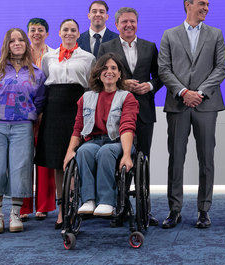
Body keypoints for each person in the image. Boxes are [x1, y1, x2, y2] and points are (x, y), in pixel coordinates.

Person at [157, 0, 225, 229]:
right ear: (188, 5)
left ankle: (204, 210)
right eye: (201, 4)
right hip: (178, 104)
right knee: (176, 159)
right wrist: (184, 92)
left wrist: (200, 93)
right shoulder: (169, 35)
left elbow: (221, 68)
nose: (206, 8)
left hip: (206, 105)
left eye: (208, 4)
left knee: (206, 159)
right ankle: (174, 210)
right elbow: (163, 69)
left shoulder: (216, 34)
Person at [98, 7, 163, 225]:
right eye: (124, 22)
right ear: (116, 25)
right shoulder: (106, 47)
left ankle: (145, 209)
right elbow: (98, 77)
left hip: (144, 112)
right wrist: (120, 83)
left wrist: (150, 85)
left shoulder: (149, 47)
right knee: (119, 159)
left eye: (132, 21)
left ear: (137, 23)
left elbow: (160, 76)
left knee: (143, 160)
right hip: (115, 114)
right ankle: (120, 207)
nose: (129, 25)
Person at [0, 28, 46, 234]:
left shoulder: (37, 73)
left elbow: (40, 99)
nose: (17, 43)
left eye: (20, 40)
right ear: (6, 45)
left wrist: (28, 114)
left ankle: (15, 214)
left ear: (26, 44)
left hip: (22, 126)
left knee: (20, 169)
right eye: (12, 40)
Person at [34, 18, 96, 228]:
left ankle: (74, 205)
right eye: (65, 30)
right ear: (59, 33)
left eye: (73, 30)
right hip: (53, 110)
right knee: (57, 163)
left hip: (76, 108)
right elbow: (44, 83)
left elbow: (91, 86)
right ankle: (61, 209)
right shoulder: (48, 57)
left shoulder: (88, 58)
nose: (69, 33)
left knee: (74, 159)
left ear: (79, 34)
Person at [63, 53, 138, 216]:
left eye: (113, 68)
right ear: (98, 73)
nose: (109, 71)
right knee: (83, 151)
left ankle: (106, 201)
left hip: (118, 141)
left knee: (106, 151)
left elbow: (127, 126)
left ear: (119, 74)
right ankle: (88, 200)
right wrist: (70, 151)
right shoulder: (86, 97)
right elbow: (78, 127)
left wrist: (126, 154)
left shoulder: (127, 97)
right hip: (94, 140)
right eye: (104, 68)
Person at [19, 17, 56, 221]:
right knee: (24, 160)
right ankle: (23, 207)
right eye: (32, 30)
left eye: (40, 30)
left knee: (44, 159)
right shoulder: (19, 55)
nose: (36, 33)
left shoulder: (54, 55)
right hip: (23, 114)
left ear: (47, 33)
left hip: (47, 112)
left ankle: (43, 206)